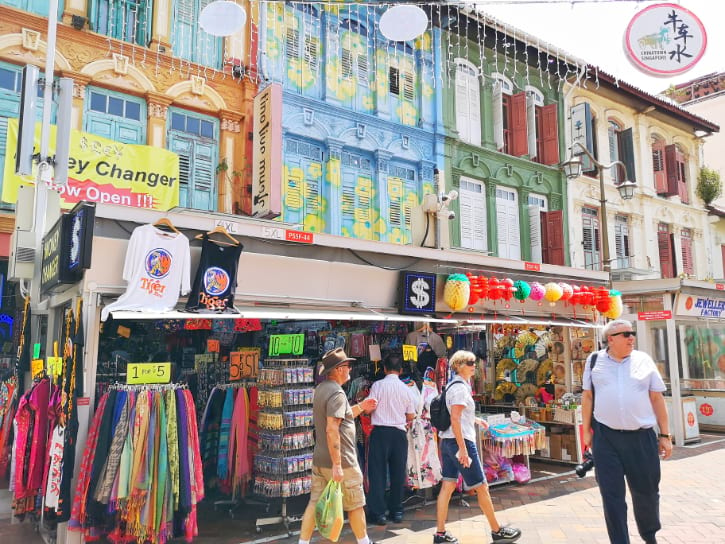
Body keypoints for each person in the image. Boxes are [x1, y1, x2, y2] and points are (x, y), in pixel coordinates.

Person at [582, 319, 672, 544]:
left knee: (647, 492)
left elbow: (656, 398)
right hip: (606, 437)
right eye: (625, 334)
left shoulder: (644, 360)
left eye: (632, 333)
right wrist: (586, 431)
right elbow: (588, 397)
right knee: (611, 495)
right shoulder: (594, 361)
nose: (631, 337)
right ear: (610, 339)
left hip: (641, 437)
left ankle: (649, 535)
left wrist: (665, 435)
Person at [434, 350, 522, 544]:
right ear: (458, 365)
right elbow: (454, 418)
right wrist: (463, 449)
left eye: (474, 361)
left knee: (447, 486)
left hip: (448, 442)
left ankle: (440, 534)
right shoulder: (460, 388)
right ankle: (496, 530)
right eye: (469, 362)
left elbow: (458, 416)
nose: (474, 365)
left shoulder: (455, 385)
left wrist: (475, 420)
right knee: (482, 487)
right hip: (460, 442)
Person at [298, 348, 378, 544]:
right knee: (355, 505)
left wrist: (361, 407)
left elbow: (340, 417)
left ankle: (302, 542)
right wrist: (337, 465)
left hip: (320, 459)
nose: (350, 369)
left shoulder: (322, 389)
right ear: (339, 369)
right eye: (347, 365)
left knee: (314, 502)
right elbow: (332, 428)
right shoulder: (336, 393)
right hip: (342, 460)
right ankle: (364, 541)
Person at [366, 353, 416, 525]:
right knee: (397, 474)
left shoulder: (377, 386)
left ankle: (378, 513)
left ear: (384, 369)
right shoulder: (406, 389)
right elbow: (411, 415)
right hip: (399, 434)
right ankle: (397, 511)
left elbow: (369, 409)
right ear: (401, 370)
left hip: (380, 433)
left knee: (377, 474)